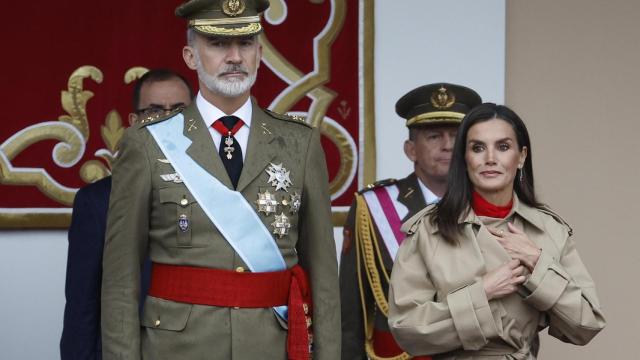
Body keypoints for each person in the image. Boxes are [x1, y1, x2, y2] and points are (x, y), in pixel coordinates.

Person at [100, 1, 341, 359]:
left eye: (245, 44)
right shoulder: (147, 143)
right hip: (177, 348)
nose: (234, 57)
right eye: (217, 44)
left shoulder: (299, 143)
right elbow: (120, 279)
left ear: (259, 53)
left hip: (270, 347)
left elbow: (323, 276)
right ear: (191, 56)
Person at [387, 103, 606, 359]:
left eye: (503, 147)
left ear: (521, 156)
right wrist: (482, 292)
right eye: (478, 148)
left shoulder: (548, 230)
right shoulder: (429, 229)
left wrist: (539, 264)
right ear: (464, 158)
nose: (490, 158)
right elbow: (407, 330)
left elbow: (586, 325)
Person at [340, 83, 482, 359]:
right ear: (411, 149)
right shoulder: (372, 207)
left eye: (456, 136)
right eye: (434, 136)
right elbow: (350, 309)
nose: (448, 145)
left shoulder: (488, 205)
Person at [60, 68, 193, 360]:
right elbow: (82, 306)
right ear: (135, 123)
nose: (168, 119)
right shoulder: (97, 203)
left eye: (180, 110)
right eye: (155, 111)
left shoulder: (222, 193)